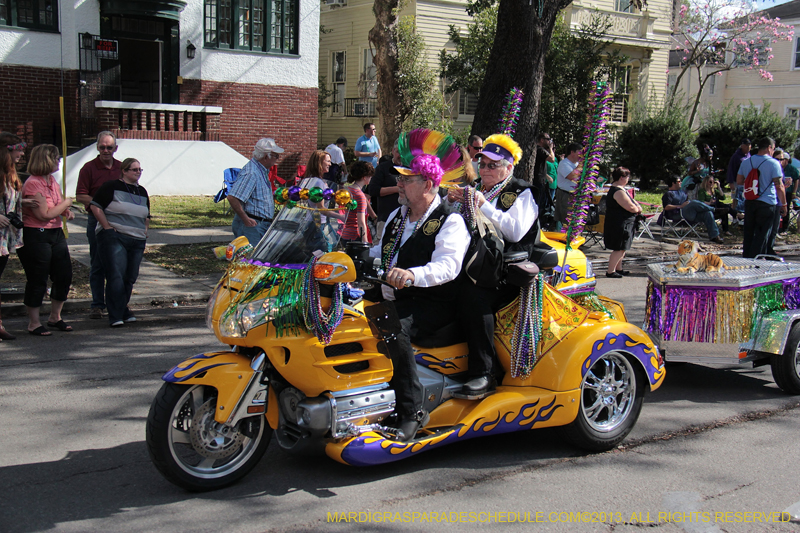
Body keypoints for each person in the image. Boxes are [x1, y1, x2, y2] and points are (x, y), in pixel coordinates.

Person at [371, 130, 469, 441]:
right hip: (394, 295)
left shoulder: (450, 220)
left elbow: (448, 266)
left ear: (427, 184)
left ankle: (412, 409)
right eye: (399, 178)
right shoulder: (397, 216)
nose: (399, 184)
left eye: (406, 179)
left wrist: (412, 275)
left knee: (391, 326)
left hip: (432, 303)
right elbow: (378, 253)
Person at [447, 133, 538, 397]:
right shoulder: (477, 189)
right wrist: (449, 203)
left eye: (492, 165)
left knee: (473, 297)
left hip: (505, 271)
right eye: (482, 164)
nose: (484, 169)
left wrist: (483, 205)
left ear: (509, 168)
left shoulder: (522, 192)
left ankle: (484, 373)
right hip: (471, 264)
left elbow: (515, 232)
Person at [18, 144, 75, 336]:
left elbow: (55, 207)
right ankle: (34, 322)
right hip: (36, 233)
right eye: (56, 158)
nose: (59, 161)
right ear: (46, 159)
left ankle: (55, 316)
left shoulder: (52, 181)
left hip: (55, 232)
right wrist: (67, 202)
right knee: (38, 277)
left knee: (63, 274)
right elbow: (44, 214)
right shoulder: (33, 183)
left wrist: (65, 210)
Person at [90, 158, 150, 327]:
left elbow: (146, 215)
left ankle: (123, 308)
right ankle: (115, 315)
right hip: (116, 237)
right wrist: (107, 227)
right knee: (116, 274)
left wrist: (145, 231)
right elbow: (95, 206)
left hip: (137, 239)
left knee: (130, 276)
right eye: (134, 169)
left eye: (140, 169)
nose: (138, 172)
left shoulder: (142, 191)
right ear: (124, 171)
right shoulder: (111, 187)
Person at [76, 131, 122, 320]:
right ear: (97, 147)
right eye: (102, 147)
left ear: (115, 148)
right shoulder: (88, 168)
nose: (105, 150)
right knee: (98, 262)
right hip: (95, 219)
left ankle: (118, 304)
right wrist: (100, 203)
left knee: (118, 264)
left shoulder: (121, 167)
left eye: (109, 147)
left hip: (118, 220)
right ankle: (97, 304)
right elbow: (80, 195)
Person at [0, 133, 37, 341]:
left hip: (4, 238)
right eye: (19, 150)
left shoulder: (11, 175)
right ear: (6, 150)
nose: (22, 154)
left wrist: (23, 203)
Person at [737, 137, 786, 258]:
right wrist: (784, 204)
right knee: (762, 233)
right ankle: (757, 259)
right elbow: (779, 186)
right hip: (767, 202)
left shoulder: (746, 162)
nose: (773, 152)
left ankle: (747, 257)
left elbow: (739, 181)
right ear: (769, 147)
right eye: (773, 149)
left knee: (749, 232)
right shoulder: (773, 163)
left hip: (750, 201)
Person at [228, 138, 283, 244]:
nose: (278, 159)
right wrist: (245, 219)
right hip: (252, 225)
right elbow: (232, 197)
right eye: (276, 156)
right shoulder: (252, 173)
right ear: (266, 157)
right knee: (252, 254)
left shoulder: (261, 170)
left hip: (259, 224)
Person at [661, 175, 724, 244]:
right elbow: (666, 207)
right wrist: (680, 206)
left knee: (708, 213)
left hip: (689, 214)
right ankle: (715, 210)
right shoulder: (668, 194)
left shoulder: (682, 192)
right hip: (677, 214)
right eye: (679, 181)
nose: (681, 182)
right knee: (694, 202)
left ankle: (715, 236)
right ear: (673, 183)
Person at [603, 167, 641, 278]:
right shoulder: (618, 191)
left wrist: (637, 206)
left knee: (623, 247)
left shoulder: (621, 189)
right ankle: (610, 271)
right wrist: (637, 209)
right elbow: (630, 207)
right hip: (619, 223)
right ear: (621, 177)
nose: (628, 179)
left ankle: (618, 268)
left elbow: (633, 202)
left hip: (624, 223)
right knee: (619, 248)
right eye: (627, 176)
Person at [367, 140, 401, 241]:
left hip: (407, 219)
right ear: (393, 151)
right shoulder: (383, 168)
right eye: (398, 152)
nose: (400, 155)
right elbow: (373, 190)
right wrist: (396, 189)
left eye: (404, 152)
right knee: (382, 246)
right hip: (386, 218)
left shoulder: (411, 169)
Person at [340, 161, 374, 245]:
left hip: (345, 234)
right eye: (370, 176)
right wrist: (365, 242)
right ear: (364, 177)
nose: (371, 178)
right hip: (355, 236)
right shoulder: (360, 195)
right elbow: (361, 222)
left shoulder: (348, 190)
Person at [555, 143, 582, 230]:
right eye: (579, 152)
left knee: (576, 222)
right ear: (572, 152)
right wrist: (581, 164)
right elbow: (572, 176)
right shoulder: (564, 163)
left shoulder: (577, 164)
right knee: (566, 221)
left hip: (576, 195)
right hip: (566, 195)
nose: (582, 155)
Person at [533, 132, 556, 215]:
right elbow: (552, 159)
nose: (549, 142)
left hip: (540, 179)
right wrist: (551, 148)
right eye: (548, 139)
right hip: (538, 180)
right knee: (538, 203)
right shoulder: (540, 149)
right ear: (542, 140)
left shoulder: (538, 149)